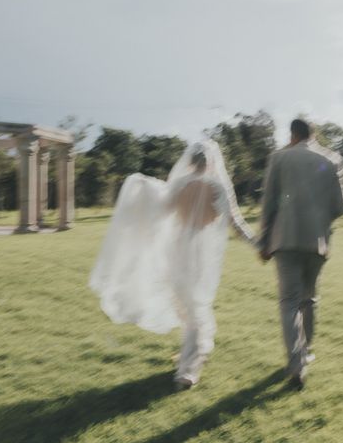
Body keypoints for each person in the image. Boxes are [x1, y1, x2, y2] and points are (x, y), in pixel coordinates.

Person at [89, 140, 254, 390]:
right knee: (196, 307)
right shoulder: (217, 185)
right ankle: (188, 369)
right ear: (210, 162)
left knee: (187, 307)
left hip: (175, 250)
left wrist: (145, 192)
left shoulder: (178, 184)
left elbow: (159, 213)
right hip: (199, 252)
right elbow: (236, 222)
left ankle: (195, 352)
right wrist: (258, 242)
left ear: (189, 161)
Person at [258, 119, 343, 390]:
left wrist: (264, 241)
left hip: (285, 240)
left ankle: (296, 363)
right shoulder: (333, 159)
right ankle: (305, 352)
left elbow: (269, 202)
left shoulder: (280, 157)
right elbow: (342, 206)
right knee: (309, 300)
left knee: (289, 302)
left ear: (292, 134)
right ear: (314, 134)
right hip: (317, 242)